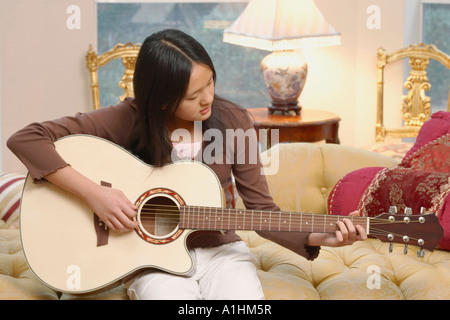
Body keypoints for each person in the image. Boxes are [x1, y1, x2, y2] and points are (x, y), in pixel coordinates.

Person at [7, 29, 367, 300]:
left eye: (209, 82)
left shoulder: (233, 121)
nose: (208, 98)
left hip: (223, 252)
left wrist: (316, 235)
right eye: (193, 95)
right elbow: (26, 139)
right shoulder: (126, 118)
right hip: (149, 259)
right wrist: (94, 195)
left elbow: (262, 210)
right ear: (161, 100)